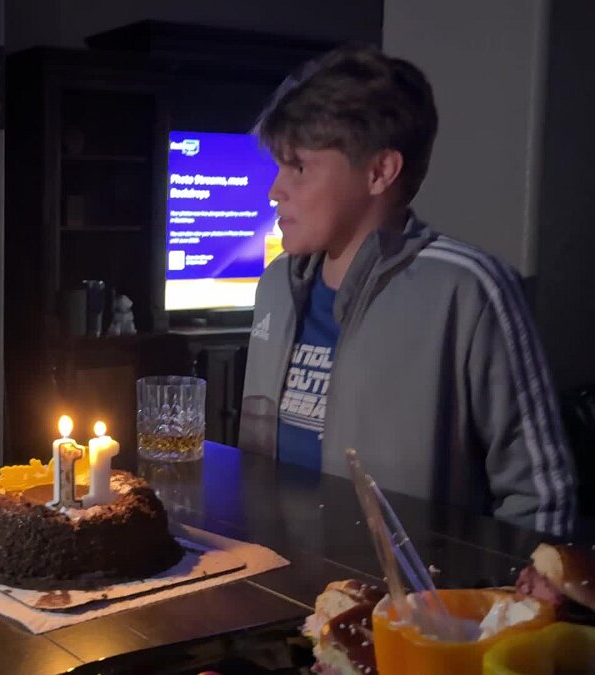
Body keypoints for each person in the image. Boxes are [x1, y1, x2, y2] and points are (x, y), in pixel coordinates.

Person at [240, 45, 577, 536]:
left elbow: (541, 497)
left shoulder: (467, 289)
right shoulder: (276, 285)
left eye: (299, 168)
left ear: (380, 172)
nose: (275, 189)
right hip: (275, 574)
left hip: (410, 586)